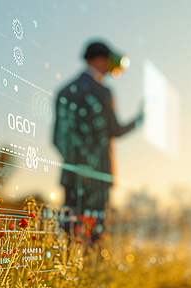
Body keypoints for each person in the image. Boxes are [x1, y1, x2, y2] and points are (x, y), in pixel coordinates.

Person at [53, 40, 143, 240]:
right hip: (99, 176)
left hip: (72, 176)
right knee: (95, 235)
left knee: (70, 232)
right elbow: (115, 130)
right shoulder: (102, 92)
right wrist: (140, 119)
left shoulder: (64, 92)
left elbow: (57, 138)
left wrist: (77, 164)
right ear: (101, 60)